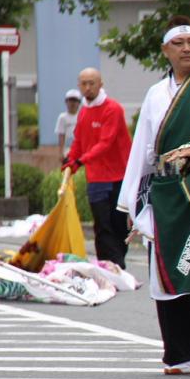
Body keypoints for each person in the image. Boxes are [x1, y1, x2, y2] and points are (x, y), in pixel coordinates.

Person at [117, 16, 190, 376]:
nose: (186, 49)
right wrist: (134, 201)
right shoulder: (154, 94)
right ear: (166, 50)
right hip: (165, 195)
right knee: (168, 272)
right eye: (178, 43)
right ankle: (177, 352)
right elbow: (141, 150)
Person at [63, 68, 132, 269]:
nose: (87, 87)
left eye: (91, 83)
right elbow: (79, 140)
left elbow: (106, 142)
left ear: (100, 84)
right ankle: (109, 264)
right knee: (101, 224)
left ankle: (118, 260)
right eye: (83, 83)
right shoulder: (84, 110)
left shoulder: (113, 109)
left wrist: (80, 161)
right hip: (96, 177)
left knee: (119, 223)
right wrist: (71, 160)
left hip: (118, 175)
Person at [55, 89, 81, 161]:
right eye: (70, 100)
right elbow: (61, 135)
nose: (72, 103)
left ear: (79, 102)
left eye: (75, 100)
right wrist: (60, 153)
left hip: (81, 151)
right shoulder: (62, 117)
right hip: (67, 150)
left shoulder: (82, 116)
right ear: (66, 102)